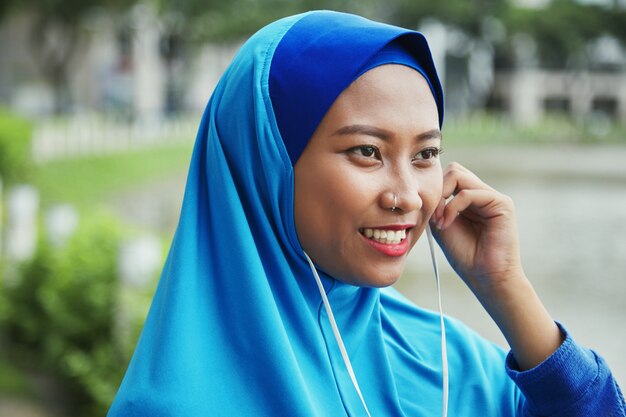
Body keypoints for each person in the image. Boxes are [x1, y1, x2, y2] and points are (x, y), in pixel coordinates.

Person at [108, 10, 625, 416]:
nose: (407, 196)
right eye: (367, 151)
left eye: (425, 154)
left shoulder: (445, 361)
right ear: (269, 161)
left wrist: (507, 287)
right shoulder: (174, 404)